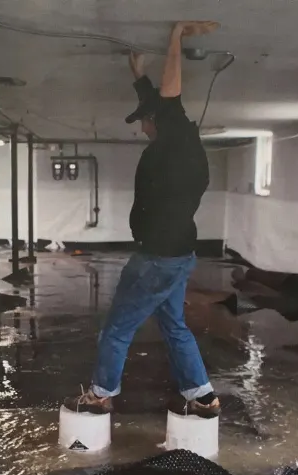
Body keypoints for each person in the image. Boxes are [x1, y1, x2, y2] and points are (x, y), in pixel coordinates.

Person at [64, 21, 222, 419]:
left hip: (156, 257)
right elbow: (158, 98)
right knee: (174, 326)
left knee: (116, 329)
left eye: (145, 121)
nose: (143, 127)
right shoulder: (179, 145)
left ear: (157, 119)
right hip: (178, 253)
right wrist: (137, 74)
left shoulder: (175, 141)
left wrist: (175, 38)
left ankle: (100, 395)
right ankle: (202, 397)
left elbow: (169, 92)